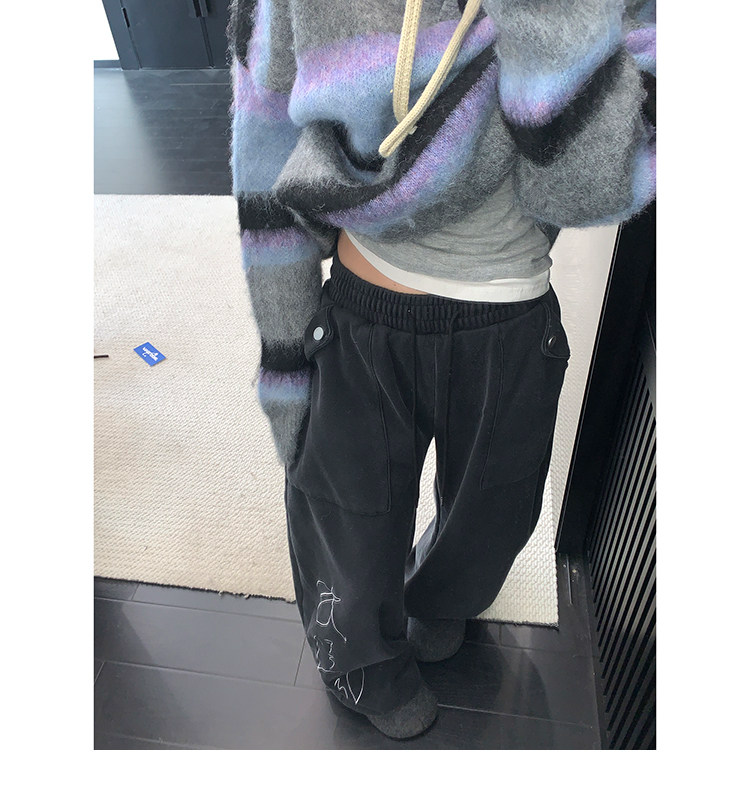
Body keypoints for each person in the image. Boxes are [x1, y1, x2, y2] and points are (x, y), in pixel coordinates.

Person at [227, 0, 656, 740]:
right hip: (363, 312)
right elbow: (264, 157)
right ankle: (363, 666)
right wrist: (285, 356)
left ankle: (441, 596)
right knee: (348, 520)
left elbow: (585, 189)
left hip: (512, 316)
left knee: (494, 514)